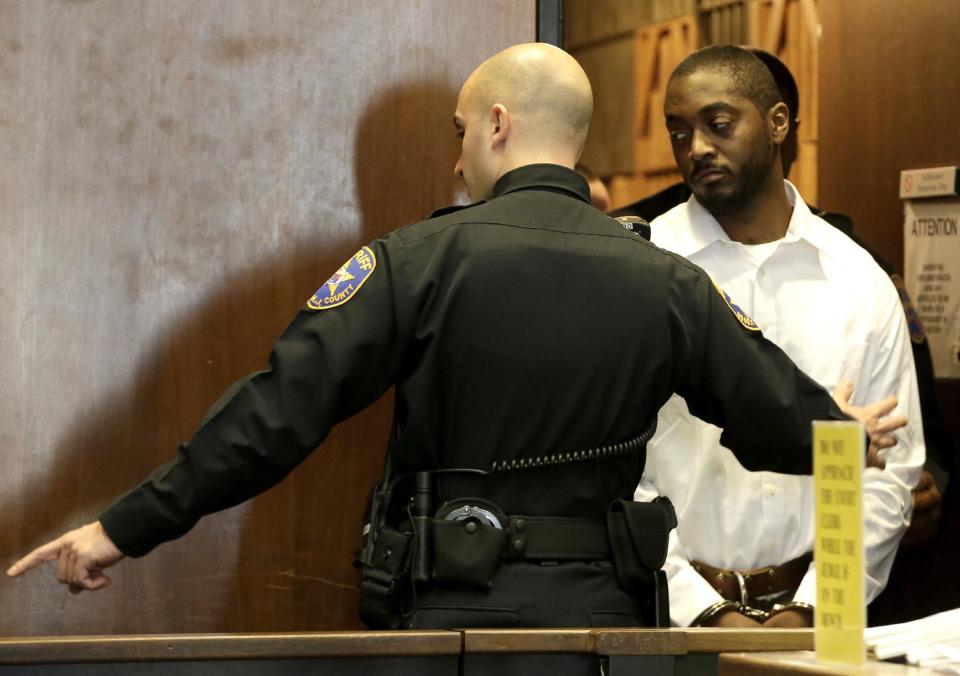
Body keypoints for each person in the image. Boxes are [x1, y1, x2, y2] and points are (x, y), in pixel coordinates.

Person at [7, 44, 903, 636]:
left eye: (461, 132)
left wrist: (121, 529)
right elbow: (771, 411)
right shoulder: (667, 279)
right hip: (608, 623)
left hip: (449, 617)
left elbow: (273, 417)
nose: (455, 156)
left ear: (499, 126)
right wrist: (844, 433)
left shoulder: (416, 262)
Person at [630, 45, 925, 629]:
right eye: (679, 132)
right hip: (670, 619)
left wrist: (815, 608)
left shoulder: (856, 278)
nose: (698, 149)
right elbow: (618, 471)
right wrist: (702, 613)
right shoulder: (641, 270)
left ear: (778, 123)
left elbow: (885, 472)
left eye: (718, 125)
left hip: (824, 617)